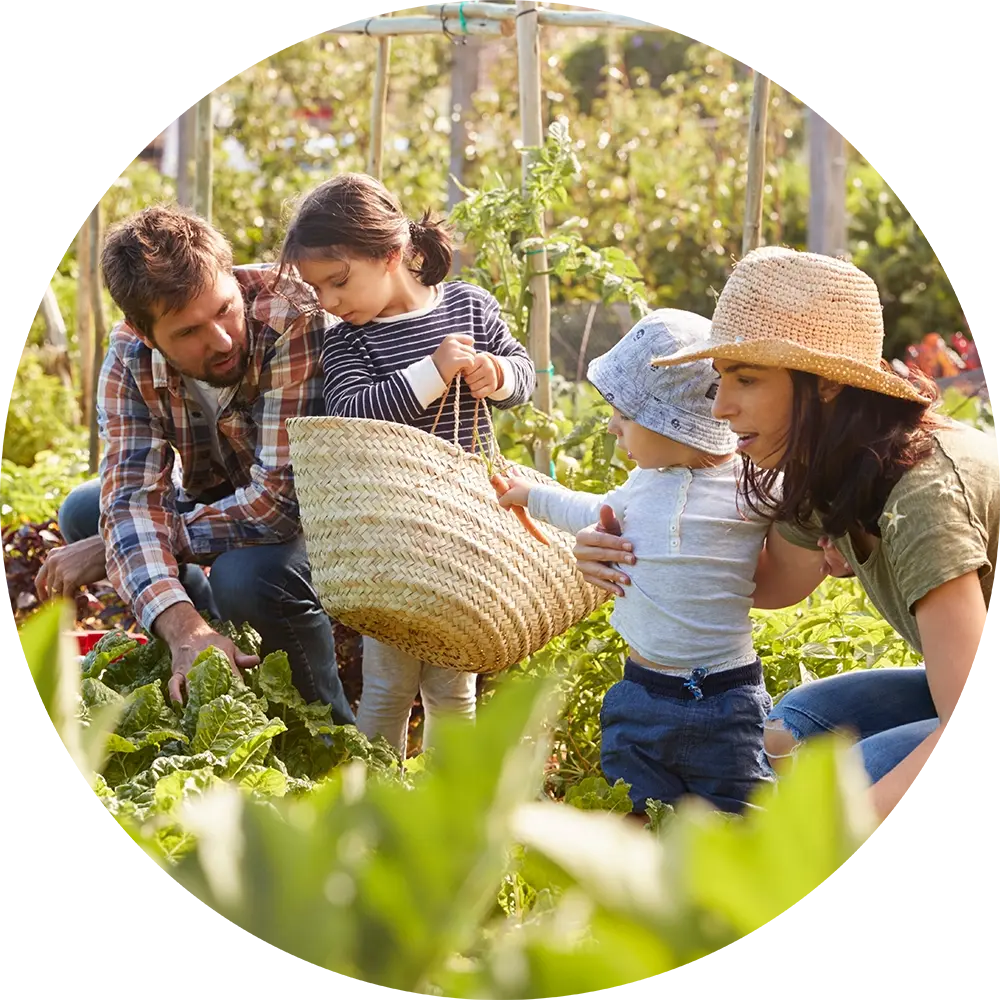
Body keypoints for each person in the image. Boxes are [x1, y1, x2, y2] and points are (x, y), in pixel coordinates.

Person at [573, 245, 1000, 824]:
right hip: (980, 686)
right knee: (790, 733)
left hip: (979, 711)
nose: (722, 408)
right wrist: (629, 546)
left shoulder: (925, 492)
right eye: (721, 380)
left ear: (825, 384)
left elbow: (972, 726)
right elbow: (768, 583)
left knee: (845, 793)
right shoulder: (827, 467)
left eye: (747, 379)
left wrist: (807, 847)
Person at [36, 205, 354, 723]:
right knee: (87, 511)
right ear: (144, 333)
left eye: (225, 309)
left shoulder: (289, 317)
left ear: (232, 278)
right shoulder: (129, 358)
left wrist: (130, 544)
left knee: (246, 576)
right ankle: (208, 652)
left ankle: (328, 727)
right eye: (188, 332)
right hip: (225, 498)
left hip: (312, 515)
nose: (222, 339)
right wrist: (183, 625)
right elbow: (130, 499)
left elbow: (277, 506)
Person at [276, 172, 536, 756]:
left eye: (338, 281)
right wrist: (432, 372)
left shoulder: (469, 307)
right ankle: (376, 794)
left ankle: (448, 795)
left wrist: (497, 375)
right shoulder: (348, 342)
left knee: (453, 687)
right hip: (391, 542)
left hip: (463, 531)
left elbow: (523, 376)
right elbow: (351, 413)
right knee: (388, 685)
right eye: (317, 289)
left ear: (391, 254)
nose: (329, 302)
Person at [496, 310, 774, 816]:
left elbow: (806, 507)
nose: (612, 426)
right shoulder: (641, 485)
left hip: (728, 700)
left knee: (739, 817)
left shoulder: (752, 487)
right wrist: (532, 495)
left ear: (675, 426)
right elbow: (588, 509)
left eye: (625, 416)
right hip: (642, 692)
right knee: (634, 811)